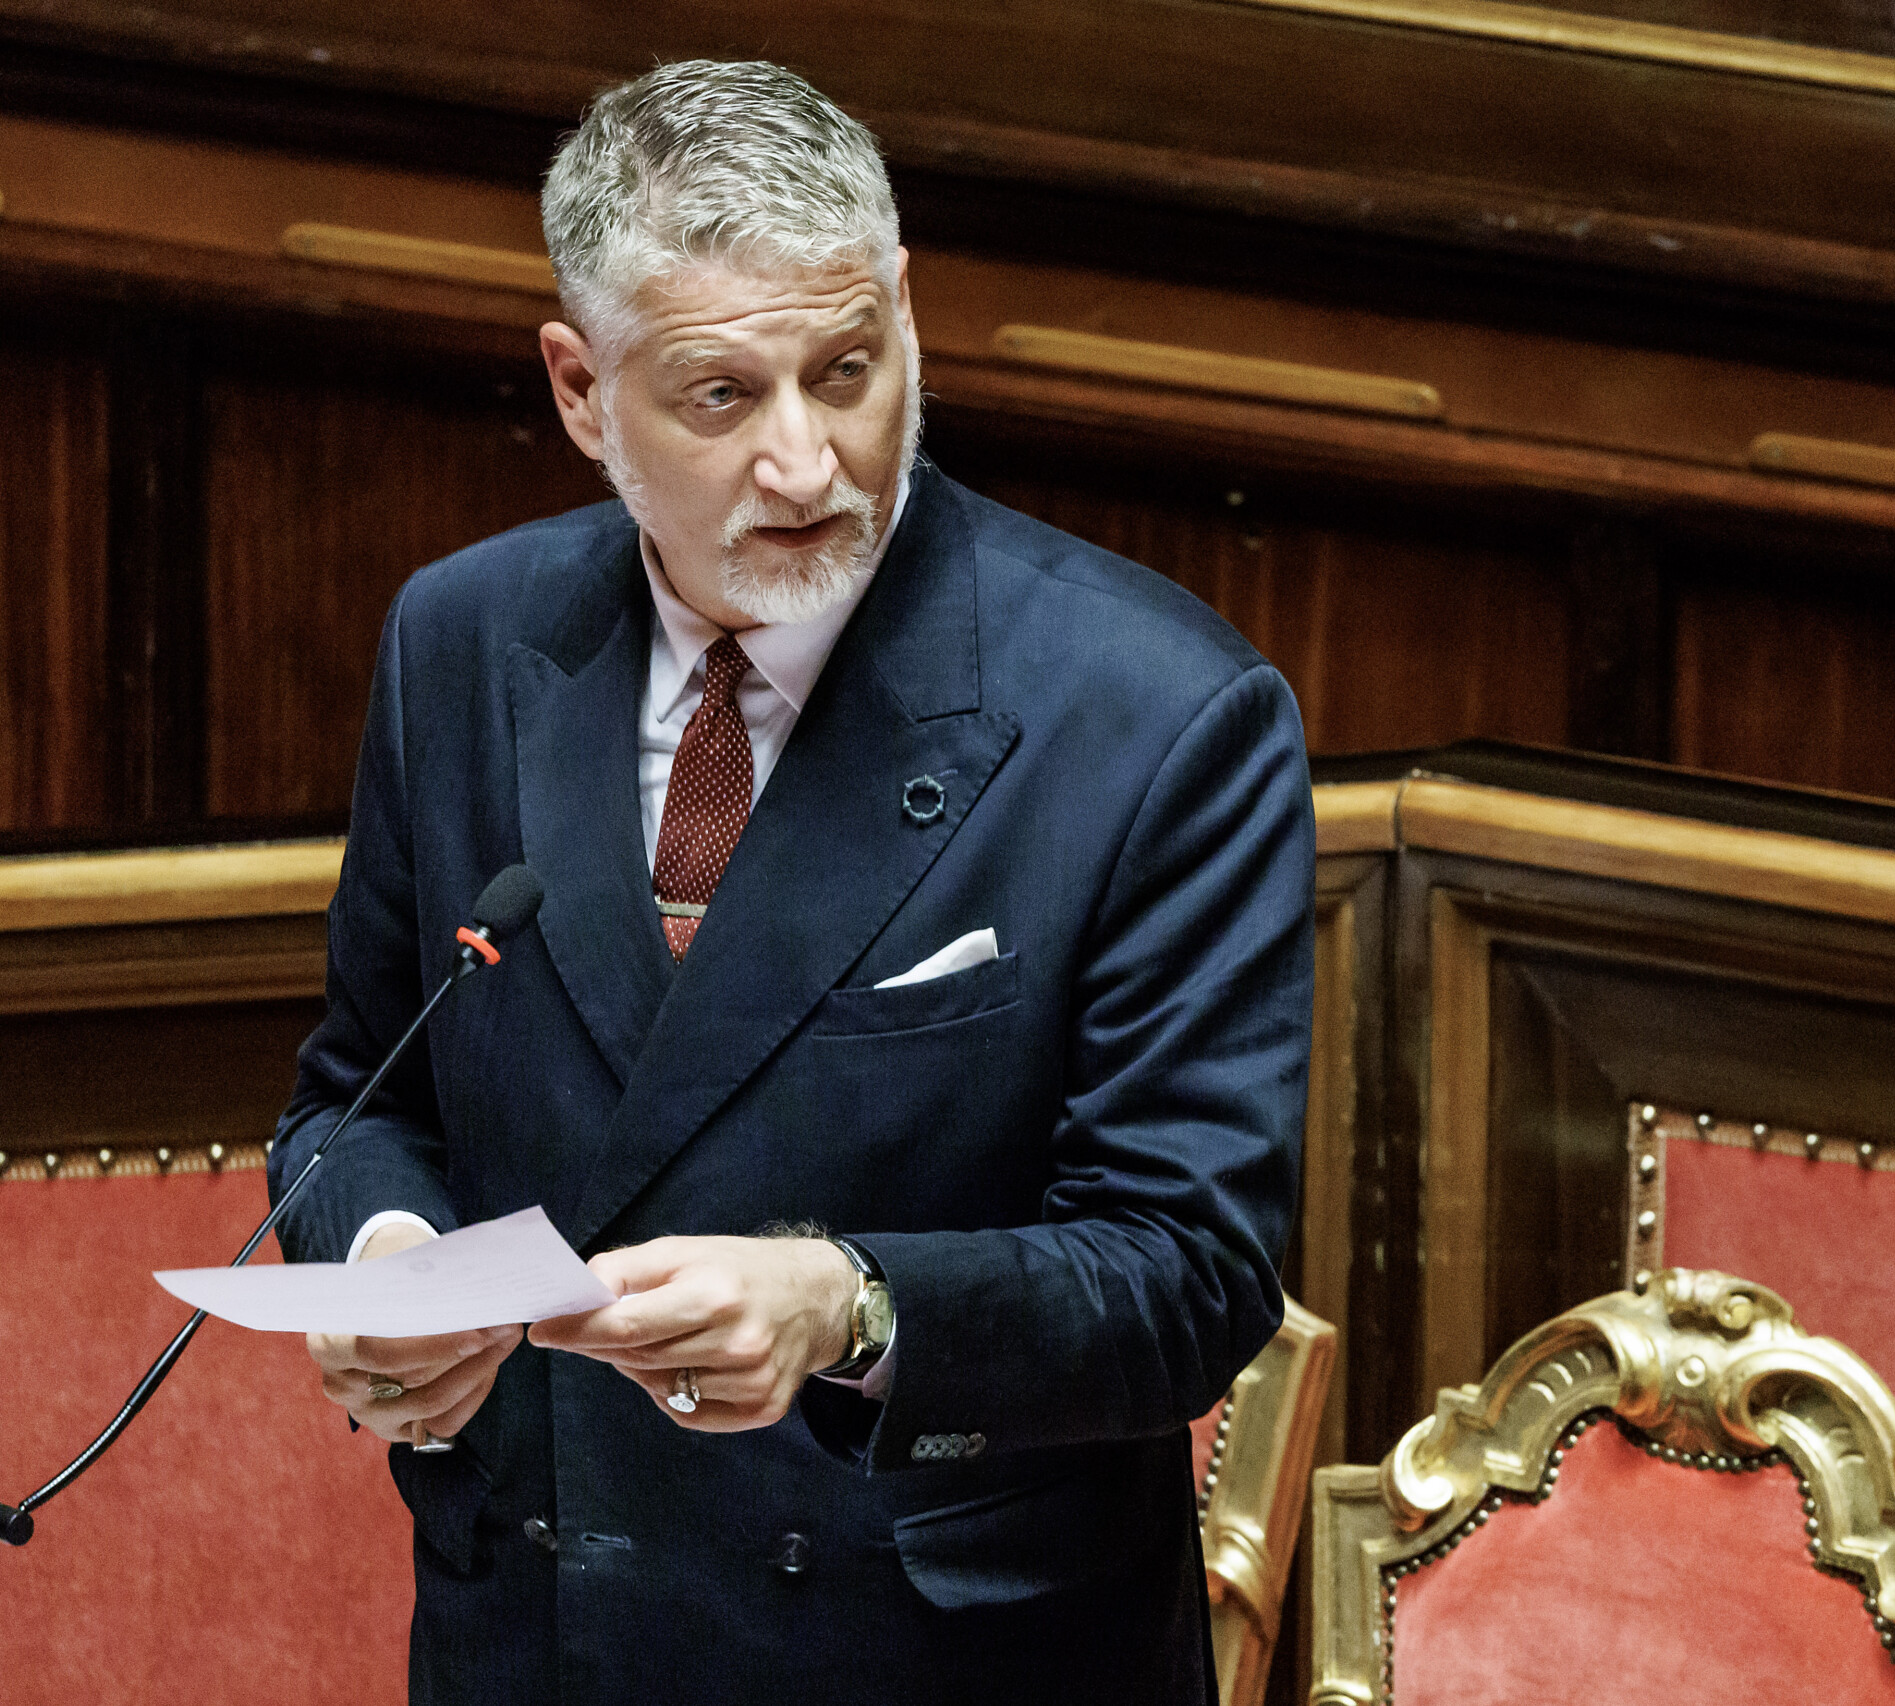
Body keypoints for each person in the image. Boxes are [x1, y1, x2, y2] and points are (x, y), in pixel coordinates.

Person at [267, 58, 1314, 1704]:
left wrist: (852, 1302)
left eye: (847, 369)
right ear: (579, 389)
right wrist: (390, 1249)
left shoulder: (1160, 715)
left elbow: (1191, 1272)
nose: (809, 463)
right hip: (540, 1635)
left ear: (905, 306)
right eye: (722, 397)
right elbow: (354, 1094)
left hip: (934, 1650)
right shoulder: (460, 644)